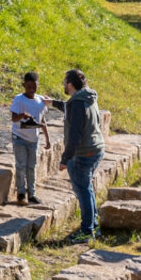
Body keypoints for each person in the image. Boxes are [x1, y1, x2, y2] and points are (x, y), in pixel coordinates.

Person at [52, 69, 105, 243]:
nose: (63, 85)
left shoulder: (76, 104)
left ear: (70, 84)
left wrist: (65, 159)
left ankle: (87, 230)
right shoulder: (88, 97)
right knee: (87, 188)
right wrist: (52, 102)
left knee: (82, 191)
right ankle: (93, 224)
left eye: (65, 82)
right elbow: (71, 109)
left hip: (83, 154)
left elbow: (74, 136)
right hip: (96, 149)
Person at [10, 72, 53, 205]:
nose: (31, 90)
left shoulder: (41, 101)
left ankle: (32, 193)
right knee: (21, 165)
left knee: (32, 167)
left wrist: (47, 138)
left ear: (37, 85)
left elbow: (42, 120)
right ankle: (21, 193)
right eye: (28, 87)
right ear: (24, 85)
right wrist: (23, 115)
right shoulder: (19, 99)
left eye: (33, 87)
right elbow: (13, 118)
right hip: (19, 137)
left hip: (34, 139)